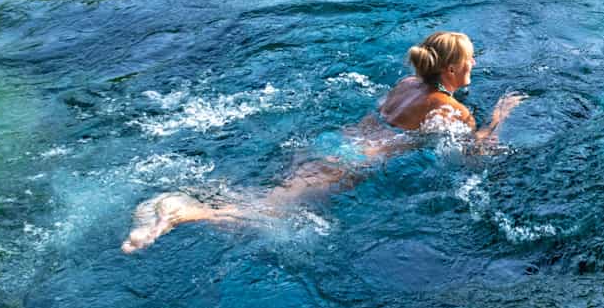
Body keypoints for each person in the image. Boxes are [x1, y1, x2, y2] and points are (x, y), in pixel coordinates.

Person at [121, 31, 525, 253]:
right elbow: (474, 156)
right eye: (471, 59)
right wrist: (498, 118)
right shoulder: (453, 109)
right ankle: (181, 214)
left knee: (273, 194)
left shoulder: (405, 83)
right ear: (454, 68)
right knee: (274, 213)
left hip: (332, 142)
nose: (475, 64)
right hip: (354, 160)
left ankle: (177, 202)